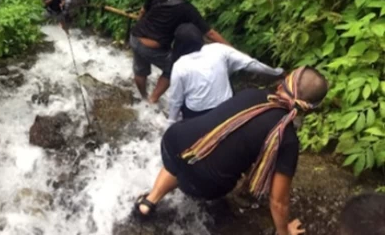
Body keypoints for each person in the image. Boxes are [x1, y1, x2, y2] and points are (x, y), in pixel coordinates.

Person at [133, 66, 329, 235]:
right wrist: (283, 231)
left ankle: (149, 202)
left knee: (187, 155)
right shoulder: (287, 140)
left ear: (281, 85)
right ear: (309, 109)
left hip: (173, 142)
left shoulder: (252, 93)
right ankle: (172, 187)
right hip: (205, 185)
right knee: (198, 164)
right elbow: (278, 201)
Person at [129, 0, 230, 103]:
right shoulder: (187, 9)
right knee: (174, 67)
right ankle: (152, 100)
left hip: (135, 38)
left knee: (140, 71)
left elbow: (142, 12)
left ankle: (144, 98)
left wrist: (142, 26)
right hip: (152, 48)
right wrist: (231, 49)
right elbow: (210, 33)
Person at [167, 23, 283, 125]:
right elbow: (249, 63)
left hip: (198, 113)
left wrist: (171, 122)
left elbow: (176, 99)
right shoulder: (218, 49)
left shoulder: (179, 65)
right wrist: (275, 72)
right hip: (226, 105)